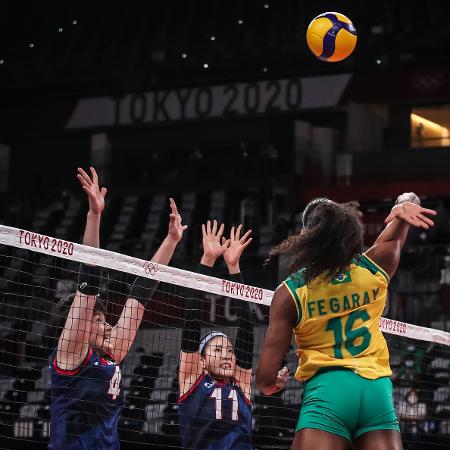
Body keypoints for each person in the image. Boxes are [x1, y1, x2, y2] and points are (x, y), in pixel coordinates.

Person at [256, 195, 436, 450]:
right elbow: (399, 222)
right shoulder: (375, 265)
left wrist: (274, 384)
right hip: (376, 393)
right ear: (349, 233)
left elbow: (265, 380)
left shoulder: (290, 293)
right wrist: (403, 204)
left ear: (307, 237)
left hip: (329, 392)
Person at [49, 167, 187, 450]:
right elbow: (89, 279)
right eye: (97, 319)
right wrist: (94, 215)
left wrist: (170, 241)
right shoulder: (71, 352)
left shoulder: (111, 354)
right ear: (79, 323)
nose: (107, 324)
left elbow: (140, 296)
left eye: (103, 318)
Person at [178, 221, 286, 450]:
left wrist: (234, 266)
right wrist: (207, 260)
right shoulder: (191, 379)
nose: (227, 355)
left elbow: (246, 324)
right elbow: (192, 317)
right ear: (202, 361)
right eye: (217, 350)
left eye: (229, 350)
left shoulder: (241, 382)